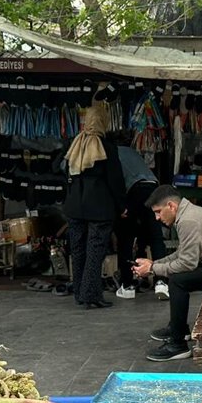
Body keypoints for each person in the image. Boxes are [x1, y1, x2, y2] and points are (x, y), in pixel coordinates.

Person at [132, 185, 202, 361]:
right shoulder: (187, 214)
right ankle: (178, 328)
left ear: (171, 206)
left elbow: (187, 263)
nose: (156, 218)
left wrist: (153, 269)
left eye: (158, 212)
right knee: (179, 277)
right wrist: (154, 263)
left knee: (178, 281)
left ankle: (178, 344)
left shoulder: (188, 221)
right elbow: (182, 253)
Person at [63, 103, 125, 309]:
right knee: (95, 251)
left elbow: (64, 172)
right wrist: (121, 204)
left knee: (78, 250)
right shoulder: (106, 147)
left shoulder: (75, 144)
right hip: (99, 208)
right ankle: (91, 294)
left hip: (74, 207)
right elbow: (115, 180)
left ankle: (80, 293)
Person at [113, 144, 166, 300]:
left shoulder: (109, 153)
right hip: (153, 187)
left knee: (126, 239)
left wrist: (120, 207)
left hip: (134, 190)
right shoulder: (131, 152)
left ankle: (127, 285)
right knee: (156, 237)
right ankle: (161, 282)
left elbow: (114, 182)